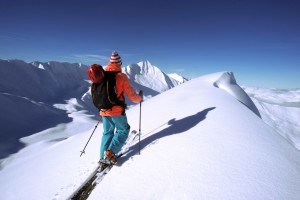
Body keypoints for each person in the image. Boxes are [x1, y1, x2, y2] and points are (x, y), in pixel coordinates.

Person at [99, 51, 142, 165]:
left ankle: (102, 156)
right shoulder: (121, 77)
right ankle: (110, 153)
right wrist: (140, 98)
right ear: (119, 63)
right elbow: (131, 95)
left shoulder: (102, 75)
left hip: (104, 110)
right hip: (116, 111)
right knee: (123, 130)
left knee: (107, 133)